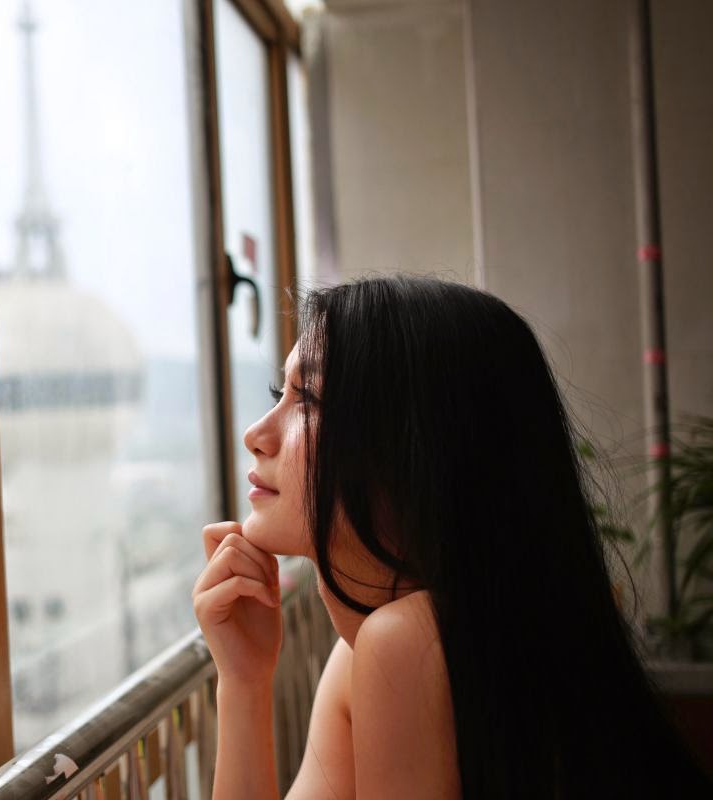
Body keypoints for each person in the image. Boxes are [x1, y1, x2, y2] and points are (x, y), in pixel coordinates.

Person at [191, 274, 713, 799]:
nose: (256, 434)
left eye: (307, 399)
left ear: (412, 447)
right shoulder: (390, 644)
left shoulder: (405, 640)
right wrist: (244, 682)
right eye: (279, 393)